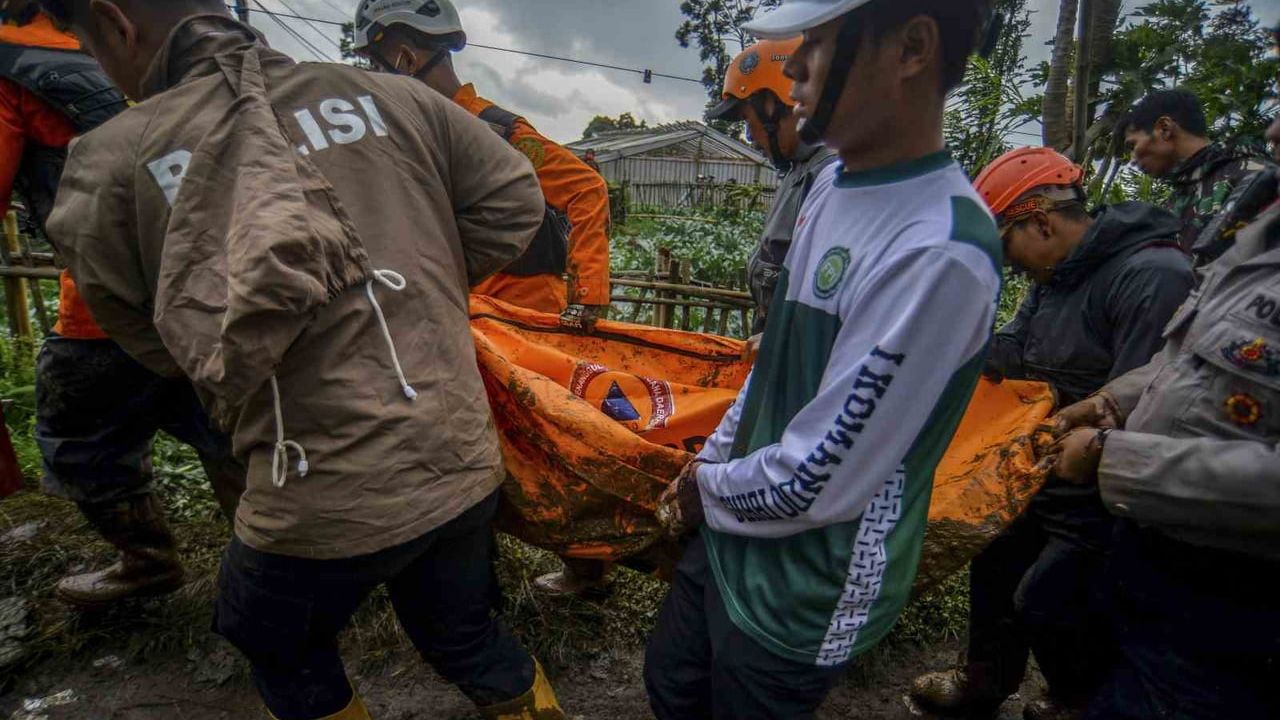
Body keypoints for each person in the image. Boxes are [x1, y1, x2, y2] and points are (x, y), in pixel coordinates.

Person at [37, 0, 563, 717]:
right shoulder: (398, 99)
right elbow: (513, 202)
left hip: (313, 495)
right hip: (457, 458)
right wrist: (420, 284)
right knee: (465, 635)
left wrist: (236, 345)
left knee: (265, 634)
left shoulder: (110, 162)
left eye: (87, 41)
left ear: (115, 22)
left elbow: (135, 321)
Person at [643, 1, 1004, 717]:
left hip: (808, 582)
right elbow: (773, 364)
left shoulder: (940, 248)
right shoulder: (834, 185)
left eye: (819, 42)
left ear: (912, 47)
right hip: (732, 529)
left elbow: (816, 480)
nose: (798, 63)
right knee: (672, 688)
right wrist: (710, 464)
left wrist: (703, 492)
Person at [909, 147, 1195, 720]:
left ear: (1040, 219)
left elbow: (1149, 395)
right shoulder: (1055, 275)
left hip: (1097, 481)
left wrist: (1088, 438)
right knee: (992, 560)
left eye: (1007, 243)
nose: (1008, 263)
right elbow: (1017, 349)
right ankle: (985, 681)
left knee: (1048, 596)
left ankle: (1077, 697)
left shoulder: (1151, 275)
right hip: (1040, 461)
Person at [1048, 30, 1280, 720]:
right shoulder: (1258, 212)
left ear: (1166, 129)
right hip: (1165, 560)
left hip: (1236, 593)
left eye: (1136, 142)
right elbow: (1195, 343)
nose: (1272, 124)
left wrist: (1120, 461)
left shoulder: (1232, 191)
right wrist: (1110, 400)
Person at [0, 1, 246, 608]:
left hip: (102, 302)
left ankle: (146, 561)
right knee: (230, 428)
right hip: (215, 284)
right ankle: (276, 561)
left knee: (81, 437)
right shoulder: (145, 50)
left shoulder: (11, 65)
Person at [352, 0, 611, 331]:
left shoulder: (497, 132)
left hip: (526, 312)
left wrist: (586, 297)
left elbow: (586, 189)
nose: (375, 77)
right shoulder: (413, 138)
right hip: (460, 312)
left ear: (406, 60)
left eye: (378, 64)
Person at [706, 37, 838, 335]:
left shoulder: (832, 179)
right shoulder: (799, 171)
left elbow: (834, 308)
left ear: (772, 105)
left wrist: (786, 347)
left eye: (746, 119)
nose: (750, 136)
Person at [1123, 88, 1274, 261]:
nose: (1132, 160)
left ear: (1164, 128)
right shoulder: (1177, 201)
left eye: (1132, 145)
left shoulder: (1256, 177)